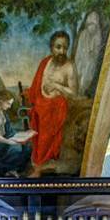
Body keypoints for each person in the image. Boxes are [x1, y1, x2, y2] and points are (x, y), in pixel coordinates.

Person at [28, 30, 78, 168]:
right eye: (58, 47)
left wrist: (56, 86)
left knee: (51, 115)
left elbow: (73, 93)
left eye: (65, 48)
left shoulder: (69, 67)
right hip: (41, 102)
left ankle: (43, 160)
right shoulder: (45, 62)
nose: (62, 51)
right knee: (36, 115)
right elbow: (36, 85)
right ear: (51, 47)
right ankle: (39, 158)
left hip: (56, 106)